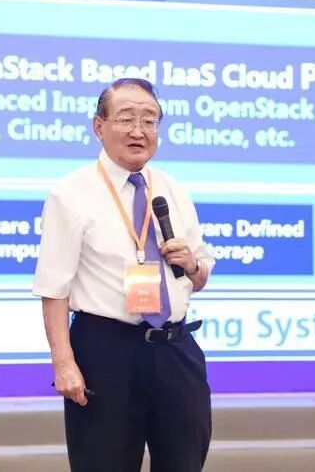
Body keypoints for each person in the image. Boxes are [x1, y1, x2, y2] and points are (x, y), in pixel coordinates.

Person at [33, 78, 214, 472]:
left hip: (175, 350)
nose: (138, 130)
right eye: (126, 118)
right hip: (106, 352)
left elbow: (198, 279)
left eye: (149, 121)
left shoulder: (173, 190)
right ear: (98, 126)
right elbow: (54, 289)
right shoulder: (71, 194)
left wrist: (191, 265)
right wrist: (63, 363)